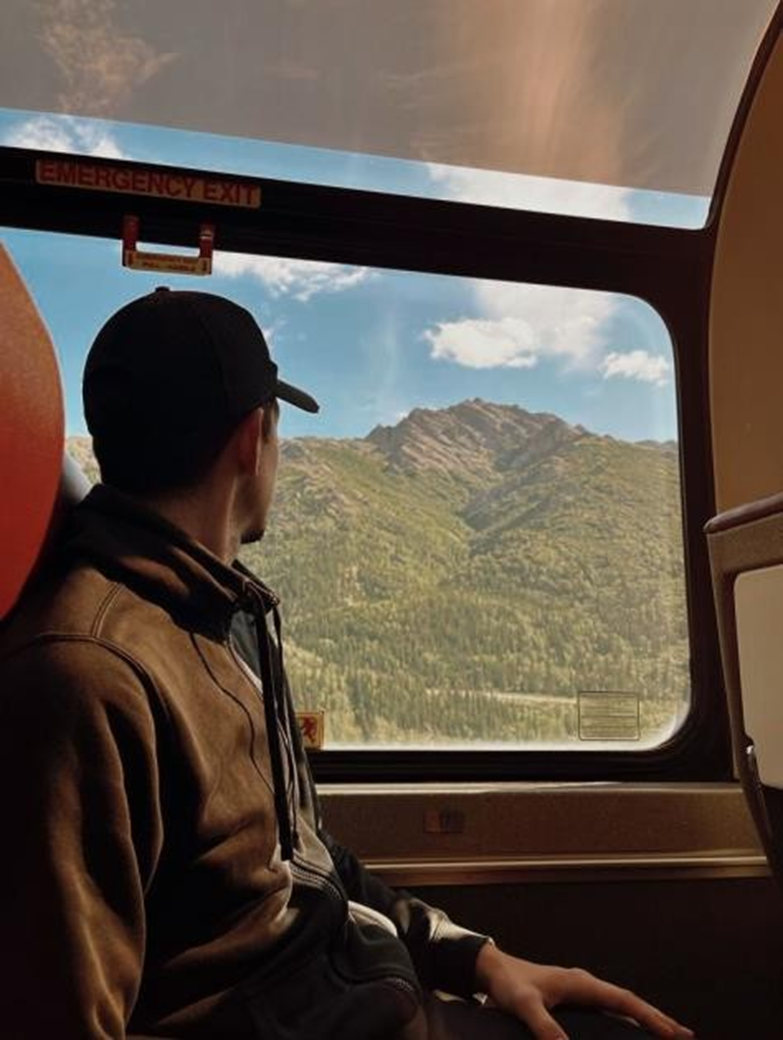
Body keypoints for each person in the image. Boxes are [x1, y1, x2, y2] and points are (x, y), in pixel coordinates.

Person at [0, 288, 695, 1040]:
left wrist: (474, 958)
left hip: (368, 997)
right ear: (251, 439)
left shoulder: (221, 617)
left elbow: (304, 859)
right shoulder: (87, 673)